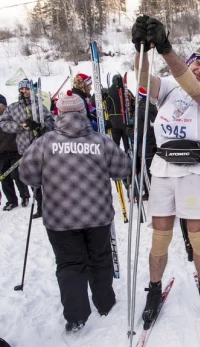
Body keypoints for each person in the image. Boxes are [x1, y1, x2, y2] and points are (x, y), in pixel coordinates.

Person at [131, 15, 200, 324]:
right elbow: (143, 81)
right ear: (189, 62)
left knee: (197, 235)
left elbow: (194, 90)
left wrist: (166, 48)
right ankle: (154, 288)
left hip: (193, 170)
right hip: (163, 168)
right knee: (160, 235)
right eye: (197, 64)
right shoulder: (169, 86)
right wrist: (142, 49)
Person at [18, 90, 131, 332]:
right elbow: (123, 169)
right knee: (100, 259)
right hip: (97, 216)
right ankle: (105, 303)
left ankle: (76, 316)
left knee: (69, 264)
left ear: (58, 114)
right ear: (83, 112)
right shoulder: (100, 141)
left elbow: (26, 175)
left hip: (60, 219)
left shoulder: (45, 143)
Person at [0, 79, 54, 218]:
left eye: (27, 89)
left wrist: (42, 127)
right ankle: (40, 206)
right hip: (24, 149)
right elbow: (3, 123)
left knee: (46, 177)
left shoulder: (40, 106)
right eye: (22, 89)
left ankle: (51, 205)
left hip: (41, 147)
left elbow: (51, 122)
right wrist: (20, 126)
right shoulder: (13, 108)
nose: (24, 91)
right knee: (32, 179)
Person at [0, 94, 30, 210]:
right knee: (4, 177)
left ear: (4, 104)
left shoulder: (11, 116)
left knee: (16, 175)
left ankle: (24, 195)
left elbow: (20, 127)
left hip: (15, 151)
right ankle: (12, 200)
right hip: (1, 154)